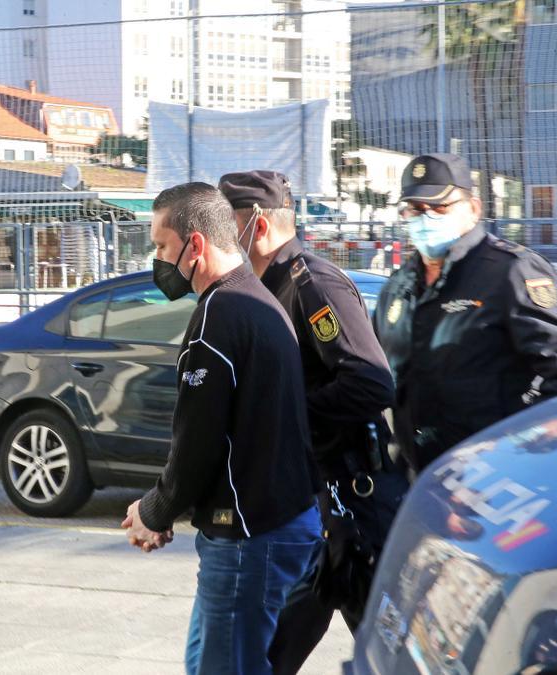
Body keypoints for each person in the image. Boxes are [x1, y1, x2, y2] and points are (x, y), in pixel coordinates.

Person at [121, 182, 322, 674]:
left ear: (195, 246)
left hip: (249, 537)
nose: (158, 259)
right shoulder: (256, 299)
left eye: (161, 246)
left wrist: (156, 510)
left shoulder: (219, 316)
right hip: (275, 525)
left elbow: (198, 440)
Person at [218, 170, 408, 673]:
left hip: (350, 505)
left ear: (255, 224)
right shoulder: (262, 287)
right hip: (311, 503)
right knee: (270, 649)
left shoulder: (311, 283)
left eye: (225, 221)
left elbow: (371, 383)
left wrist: (289, 411)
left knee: (388, 652)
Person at [374, 153, 557, 473]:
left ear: (474, 208)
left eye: (440, 207)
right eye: (415, 209)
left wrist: (515, 446)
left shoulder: (510, 272)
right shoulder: (399, 285)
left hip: (493, 478)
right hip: (417, 480)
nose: (426, 219)